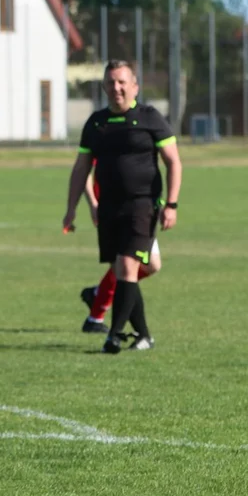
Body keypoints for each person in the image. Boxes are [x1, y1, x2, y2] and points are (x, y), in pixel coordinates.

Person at [63, 59, 181, 354]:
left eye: (122, 82)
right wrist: (72, 208)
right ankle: (143, 334)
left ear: (134, 86)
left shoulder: (150, 118)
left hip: (143, 205)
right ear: (104, 86)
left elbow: (173, 161)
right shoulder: (97, 123)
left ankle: (113, 335)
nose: (116, 87)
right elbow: (81, 168)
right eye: (111, 82)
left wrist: (172, 204)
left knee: (128, 265)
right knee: (131, 267)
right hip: (109, 208)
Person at [77, 164, 161, 343]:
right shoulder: (105, 135)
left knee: (151, 265)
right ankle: (100, 320)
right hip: (113, 209)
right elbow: (84, 167)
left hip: (139, 207)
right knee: (127, 266)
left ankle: (99, 294)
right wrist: (93, 203)